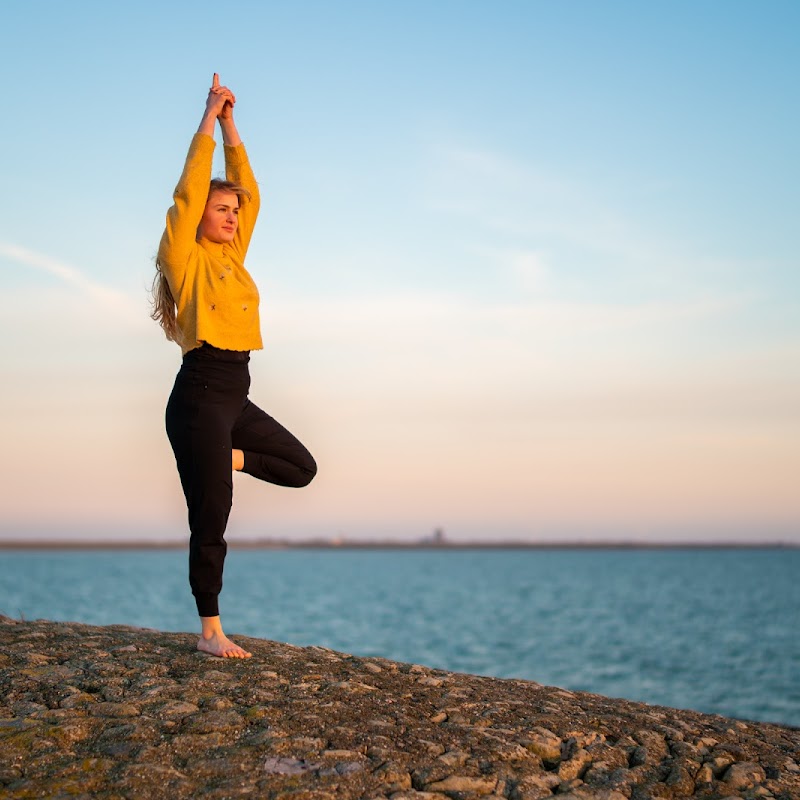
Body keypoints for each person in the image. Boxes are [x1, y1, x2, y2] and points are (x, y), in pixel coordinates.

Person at [151, 74, 317, 658]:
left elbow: (251, 190)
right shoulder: (186, 259)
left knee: (301, 467)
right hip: (199, 395)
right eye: (219, 209)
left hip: (234, 396)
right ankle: (210, 631)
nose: (229, 216)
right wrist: (205, 117)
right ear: (199, 217)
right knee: (211, 519)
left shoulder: (233, 257)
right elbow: (187, 192)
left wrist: (230, 125)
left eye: (231, 211)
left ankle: (226, 457)